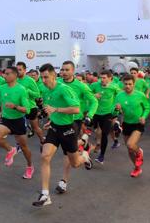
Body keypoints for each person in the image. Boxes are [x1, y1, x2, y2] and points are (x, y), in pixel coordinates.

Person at [32, 64, 91, 207]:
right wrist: (51, 120)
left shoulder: (64, 89)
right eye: (42, 77)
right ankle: (45, 195)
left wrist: (56, 109)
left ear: (54, 75)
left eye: (46, 77)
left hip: (68, 130)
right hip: (54, 128)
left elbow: (76, 109)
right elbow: (50, 110)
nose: (44, 80)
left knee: (75, 163)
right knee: (45, 156)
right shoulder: (45, 90)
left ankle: (85, 157)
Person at [0, 66, 34, 179]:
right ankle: (11, 150)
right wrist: (1, 112)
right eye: (4, 73)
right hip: (6, 120)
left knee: (24, 147)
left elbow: (27, 109)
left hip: (19, 121)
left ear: (15, 75)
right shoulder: (2, 88)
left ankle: (30, 166)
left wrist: (15, 106)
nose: (4, 76)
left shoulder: (21, 89)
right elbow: (2, 101)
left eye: (7, 74)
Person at [114, 74, 149, 177]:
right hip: (126, 123)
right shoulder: (119, 95)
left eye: (130, 84)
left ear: (134, 84)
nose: (127, 86)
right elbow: (114, 111)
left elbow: (147, 108)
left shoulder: (140, 95)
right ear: (123, 84)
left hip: (138, 123)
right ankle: (137, 168)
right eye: (126, 84)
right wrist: (116, 109)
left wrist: (143, 117)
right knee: (129, 149)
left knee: (130, 144)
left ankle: (139, 152)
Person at [91, 71, 120, 164]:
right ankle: (115, 126)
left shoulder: (114, 87)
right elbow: (86, 95)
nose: (102, 80)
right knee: (95, 131)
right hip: (96, 112)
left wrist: (118, 107)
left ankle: (102, 156)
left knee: (104, 134)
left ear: (109, 78)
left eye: (104, 78)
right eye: (101, 78)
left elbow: (121, 96)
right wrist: (93, 96)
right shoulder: (95, 85)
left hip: (108, 114)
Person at [16, 62, 44, 144]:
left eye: (20, 70)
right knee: (18, 128)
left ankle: (43, 140)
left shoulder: (30, 80)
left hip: (30, 107)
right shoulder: (15, 80)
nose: (18, 72)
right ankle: (20, 145)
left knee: (35, 127)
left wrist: (27, 91)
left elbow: (37, 94)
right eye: (17, 70)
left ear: (25, 70)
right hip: (19, 108)